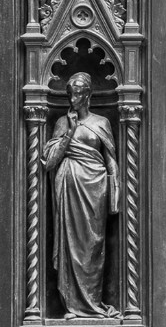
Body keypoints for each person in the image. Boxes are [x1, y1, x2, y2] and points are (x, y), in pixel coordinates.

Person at [42, 72, 120, 319]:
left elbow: (111, 160)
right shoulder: (62, 123)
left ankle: (93, 303)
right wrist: (70, 131)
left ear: (87, 95)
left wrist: (115, 191)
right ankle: (73, 306)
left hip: (96, 190)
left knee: (93, 246)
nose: (72, 99)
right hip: (69, 188)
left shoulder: (102, 122)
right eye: (69, 94)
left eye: (77, 94)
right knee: (71, 246)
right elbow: (49, 162)